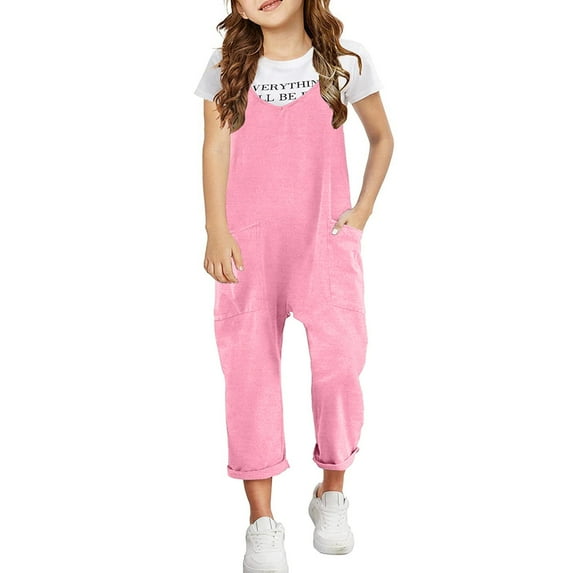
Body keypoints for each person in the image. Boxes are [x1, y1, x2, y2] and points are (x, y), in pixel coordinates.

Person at [194, 0, 393, 571]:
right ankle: (261, 521)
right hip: (247, 248)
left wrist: (360, 213)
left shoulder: (344, 63)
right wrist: (216, 231)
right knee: (249, 379)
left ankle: (331, 492)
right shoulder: (227, 65)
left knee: (340, 367)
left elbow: (382, 138)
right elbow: (215, 146)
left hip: (323, 243)